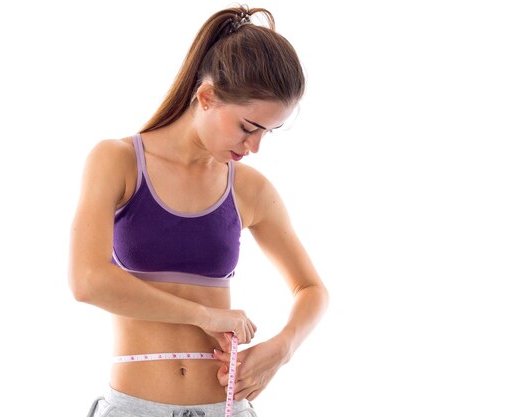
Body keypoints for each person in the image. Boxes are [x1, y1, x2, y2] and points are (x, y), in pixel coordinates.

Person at [68, 5, 329, 417]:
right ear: (206, 97)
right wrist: (204, 316)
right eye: (248, 127)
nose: (254, 148)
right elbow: (87, 281)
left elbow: (312, 290)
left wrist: (282, 349)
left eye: (267, 133)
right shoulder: (117, 161)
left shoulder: (249, 189)